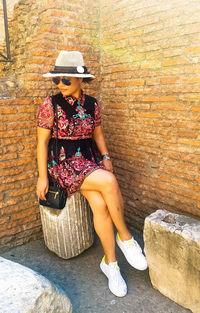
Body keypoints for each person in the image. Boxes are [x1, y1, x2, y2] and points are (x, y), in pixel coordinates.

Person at [36, 50, 148, 297]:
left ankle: (111, 264)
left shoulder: (92, 104)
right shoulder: (50, 104)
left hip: (89, 160)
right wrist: (42, 177)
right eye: (57, 79)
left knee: (100, 205)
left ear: (80, 79)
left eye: (65, 79)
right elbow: (42, 143)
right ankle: (126, 238)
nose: (60, 84)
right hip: (63, 163)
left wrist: (105, 157)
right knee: (109, 181)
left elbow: (97, 133)